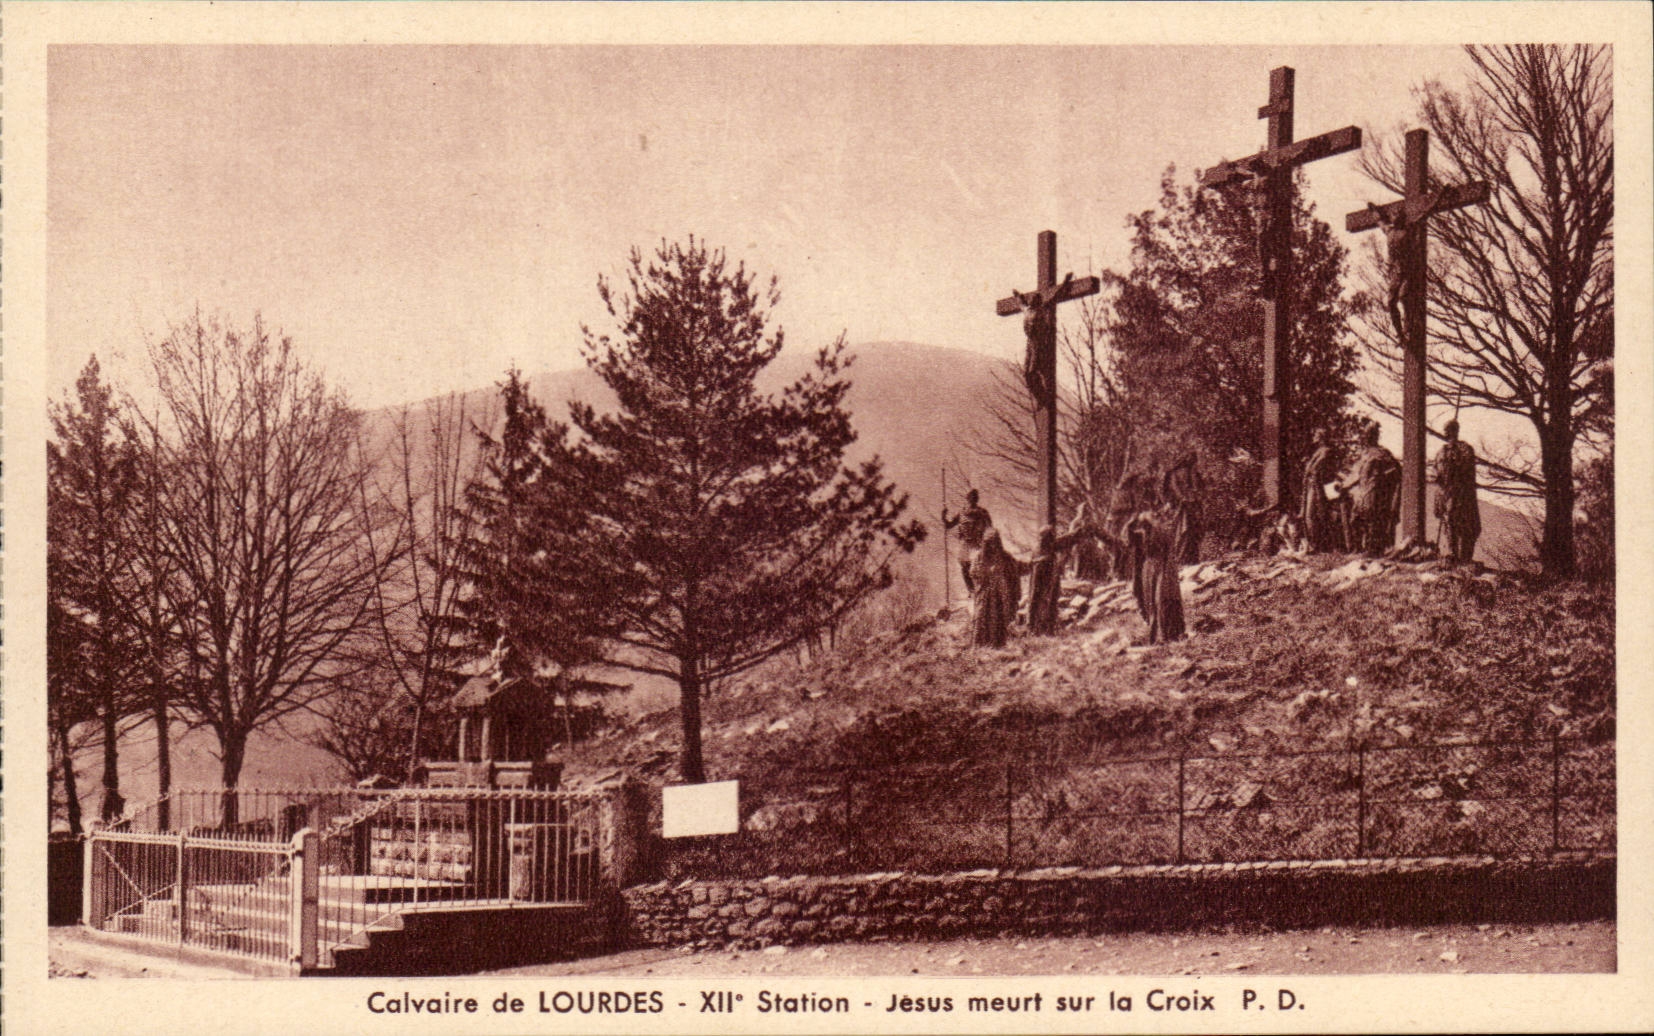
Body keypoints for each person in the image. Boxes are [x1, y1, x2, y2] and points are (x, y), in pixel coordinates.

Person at [1027, 506, 1093, 634]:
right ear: (1047, 538)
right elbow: (1065, 540)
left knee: (1045, 602)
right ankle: (1038, 628)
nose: (1054, 537)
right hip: (1044, 585)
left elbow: (1066, 539)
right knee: (1043, 602)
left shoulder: (1044, 546)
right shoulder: (1043, 553)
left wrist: (1079, 531)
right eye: (1052, 536)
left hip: (1047, 584)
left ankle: (1041, 628)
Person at [1339, 422, 1402, 556]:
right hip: (1362, 491)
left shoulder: (1382, 454)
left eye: (1369, 435)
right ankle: (1358, 548)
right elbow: (1356, 474)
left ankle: (1372, 549)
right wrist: (1345, 485)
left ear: (1375, 436)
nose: (1366, 438)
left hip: (1375, 491)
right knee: (1355, 520)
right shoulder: (1364, 454)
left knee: (1372, 520)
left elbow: (1396, 472)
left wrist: (1384, 485)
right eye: (1365, 435)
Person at [1432, 418, 1480, 563]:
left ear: (1455, 431)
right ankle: (1452, 552)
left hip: (1460, 494)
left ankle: (1463, 557)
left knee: (1462, 524)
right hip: (1444, 493)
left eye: (1449, 430)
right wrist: (1437, 476)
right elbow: (1435, 469)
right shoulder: (1441, 451)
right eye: (1445, 431)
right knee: (1448, 522)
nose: (1446, 433)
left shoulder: (1465, 449)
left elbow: (1466, 469)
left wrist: (1455, 460)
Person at [969, 528, 1018, 648]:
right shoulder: (979, 557)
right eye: (989, 543)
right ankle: (980, 646)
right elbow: (973, 572)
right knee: (981, 617)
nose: (992, 546)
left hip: (1000, 592)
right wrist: (984, 575)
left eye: (994, 542)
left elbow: (1015, 569)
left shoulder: (1005, 556)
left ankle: (997, 645)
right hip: (984, 593)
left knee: (998, 618)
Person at [1300, 428, 1344, 552]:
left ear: (1321, 438)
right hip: (1312, 485)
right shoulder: (1318, 451)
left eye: (1316, 435)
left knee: (1314, 515)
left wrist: (1308, 468)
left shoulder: (1326, 451)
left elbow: (1315, 469)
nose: (1314, 437)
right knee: (1311, 515)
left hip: (1318, 487)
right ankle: (1316, 544)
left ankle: (1319, 545)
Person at [942, 488, 992, 594]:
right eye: (970, 498)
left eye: (974, 498)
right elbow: (949, 525)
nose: (972, 500)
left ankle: (980, 587)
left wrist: (988, 541)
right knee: (964, 565)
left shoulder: (983, 513)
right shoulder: (962, 513)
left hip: (978, 543)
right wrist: (943, 517)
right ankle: (971, 589)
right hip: (965, 543)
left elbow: (990, 529)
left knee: (978, 565)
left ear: (977, 499)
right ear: (968, 499)